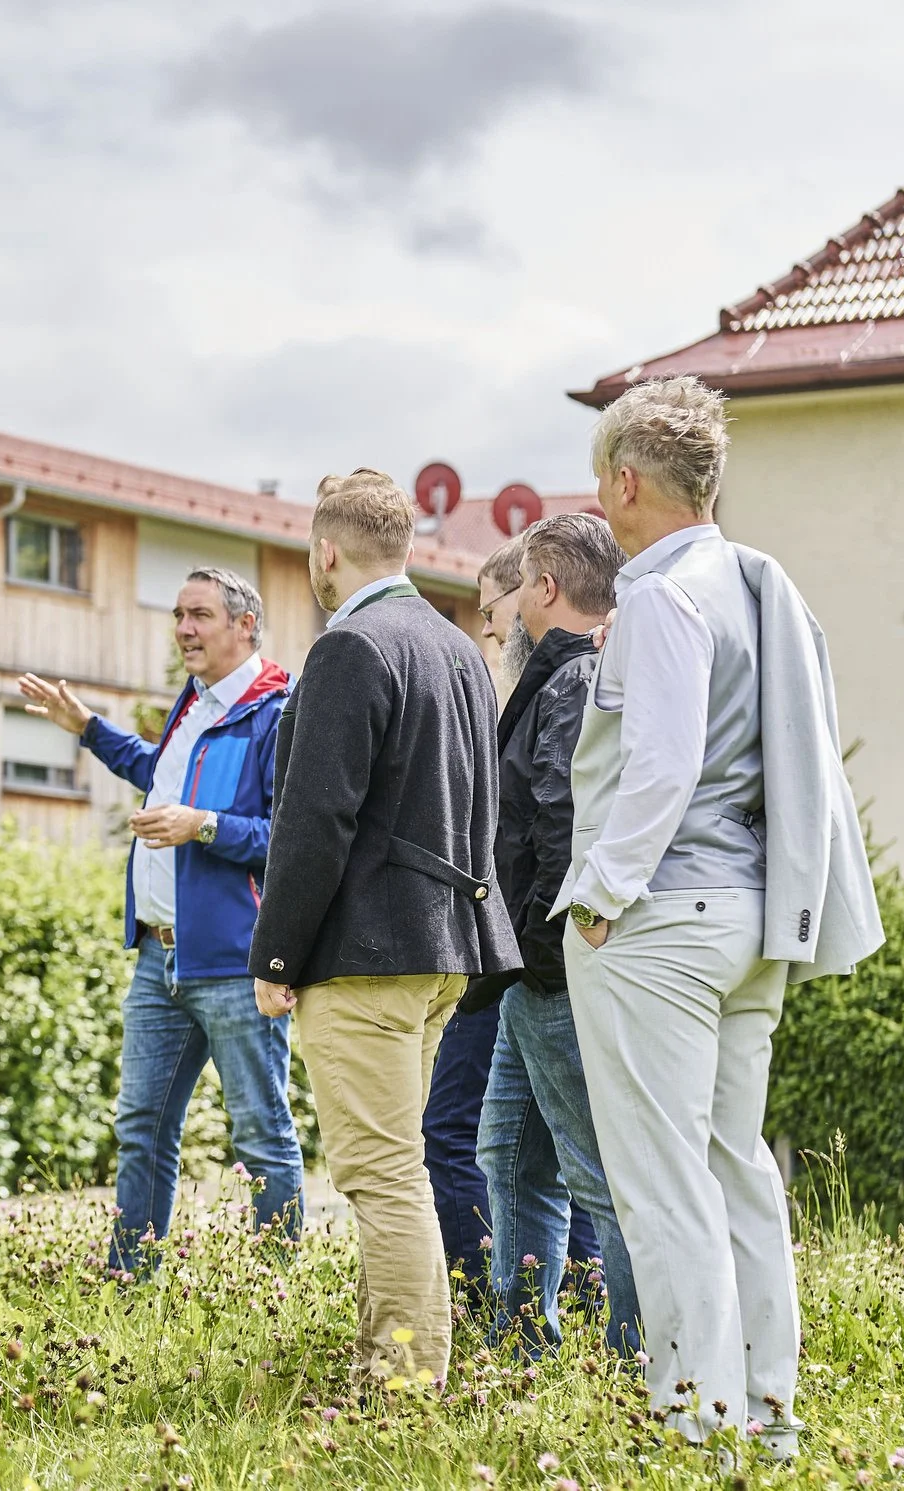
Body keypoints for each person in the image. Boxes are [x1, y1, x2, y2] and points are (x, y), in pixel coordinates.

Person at [557, 376, 882, 1453]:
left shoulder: (660, 594)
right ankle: (768, 1416)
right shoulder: (751, 582)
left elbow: (659, 764)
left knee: (663, 1185)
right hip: (749, 913)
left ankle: (695, 1424)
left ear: (625, 481)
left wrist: (599, 892)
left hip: (661, 920)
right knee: (735, 1165)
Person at [249, 469, 518, 1391]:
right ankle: (387, 1359)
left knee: (382, 1175)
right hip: (444, 950)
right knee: (400, 1167)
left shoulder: (349, 646)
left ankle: (403, 1384)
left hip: (366, 956)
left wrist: (277, 952)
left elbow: (313, 819)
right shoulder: (460, 649)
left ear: (327, 550)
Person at [16, 567, 300, 1274]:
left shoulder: (277, 712)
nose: (183, 629)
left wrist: (202, 825)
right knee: (141, 1128)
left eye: (199, 614)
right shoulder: (195, 703)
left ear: (245, 625)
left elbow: (292, 839)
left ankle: (279, 1292)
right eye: (178, 614)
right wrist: (88, 728)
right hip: (158, 958)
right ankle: (130, 1280)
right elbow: (161, 774)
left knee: (260, 1135)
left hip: (235, 963)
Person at [471, 512, 637, 1355]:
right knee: (509, 1152)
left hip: (555, 973)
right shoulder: (565, 674)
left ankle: (640, 1361)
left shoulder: (574, 679)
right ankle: (521, 1342)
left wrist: (537, 958)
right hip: (531, 972)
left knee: (598, 1172)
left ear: (545, 586)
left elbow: (563, 830)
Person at [418, 538, 531, 1305]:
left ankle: (479, 1294)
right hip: (507, 952)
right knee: (528, 1146)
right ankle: (548, 1295)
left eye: (491, 613)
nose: (485, 632)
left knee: (452, 1130)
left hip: (498, 956)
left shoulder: (530, 695)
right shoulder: (510, 691)